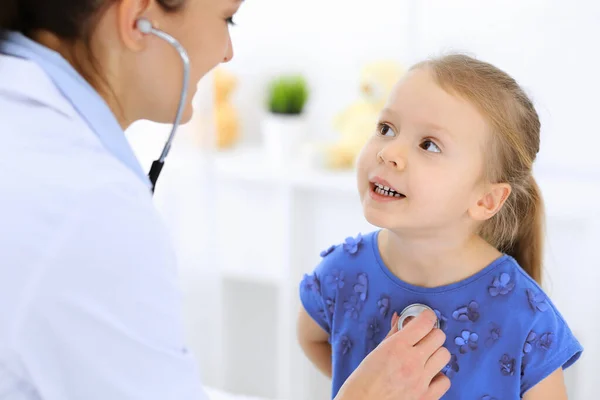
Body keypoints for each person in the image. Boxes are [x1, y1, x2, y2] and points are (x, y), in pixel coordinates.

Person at [0, 0, 451, 399]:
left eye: (430, 145)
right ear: (138, 18)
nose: (226, 52)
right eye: (227, 18)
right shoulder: (88, 210)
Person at [297, 54, 584, 399]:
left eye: (428, 144)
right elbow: (310, 337)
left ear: (486, 200)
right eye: (386, 128)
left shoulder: (524, 316)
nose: (390, 152)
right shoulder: (341, 273)